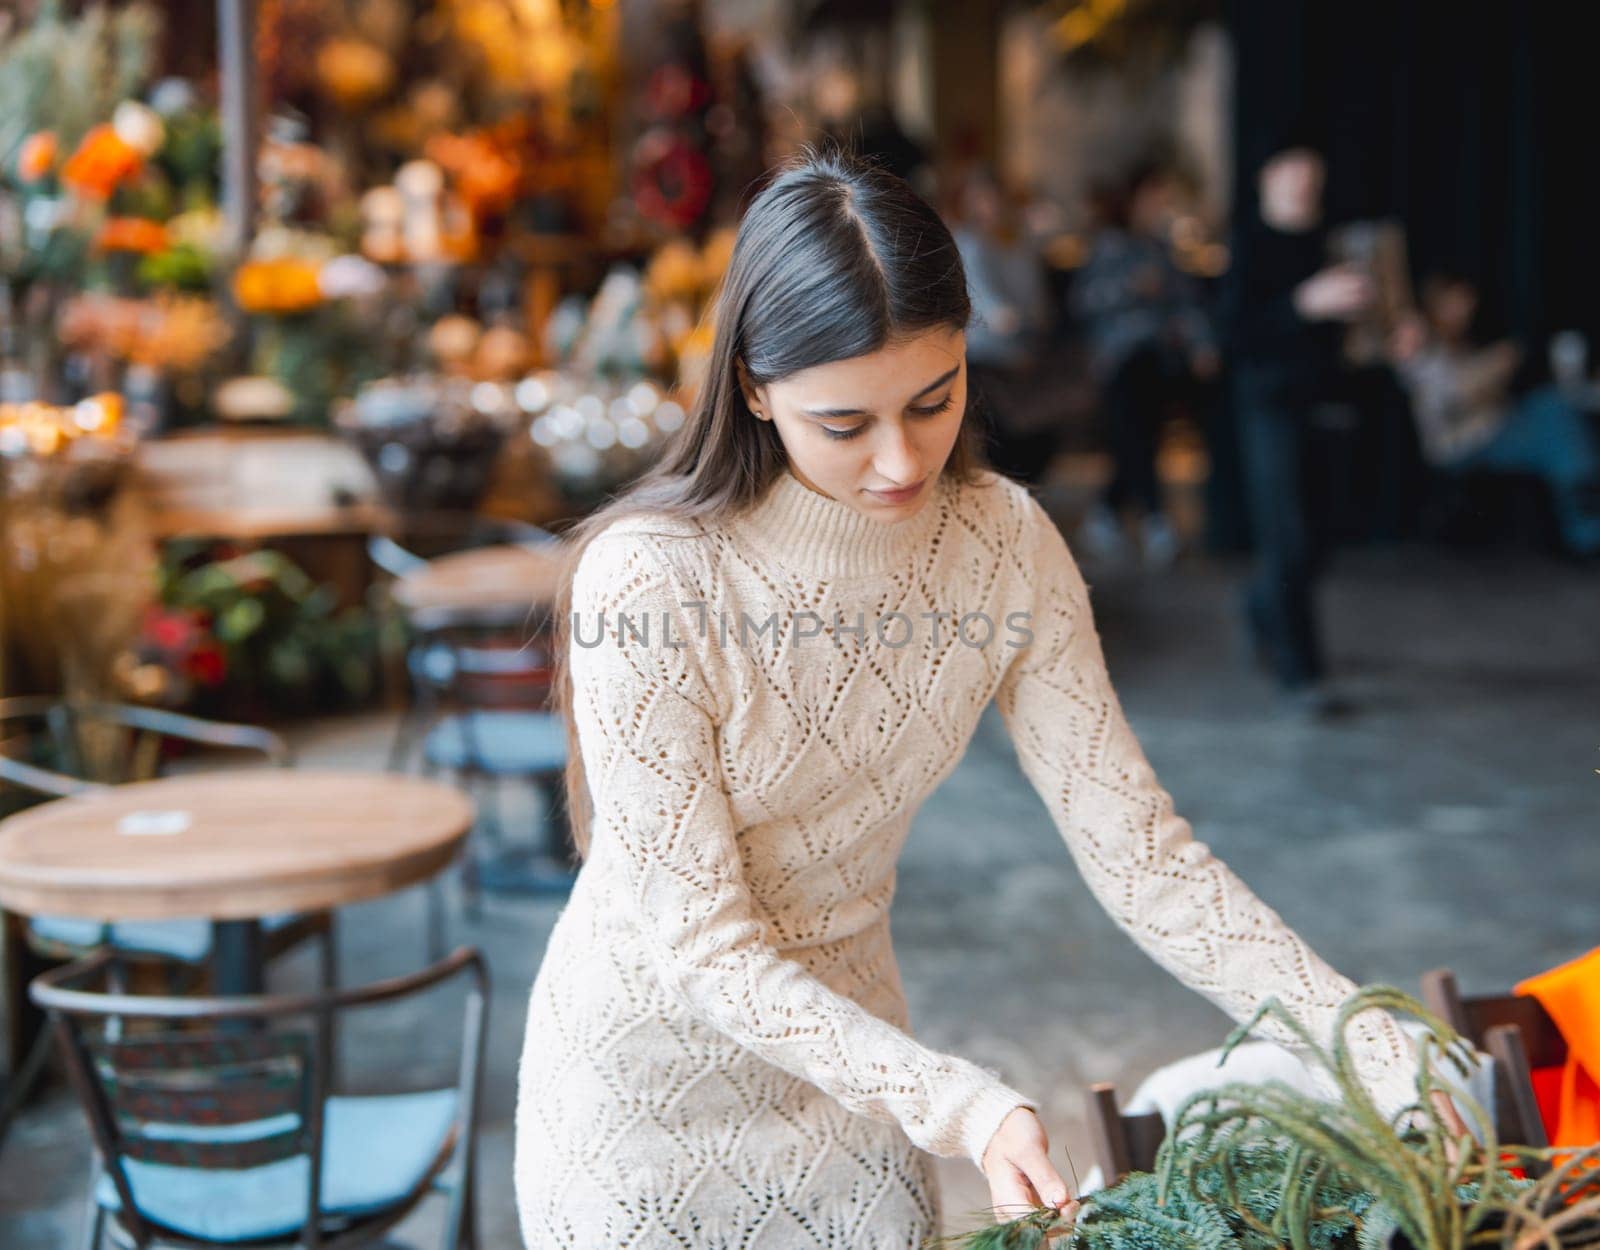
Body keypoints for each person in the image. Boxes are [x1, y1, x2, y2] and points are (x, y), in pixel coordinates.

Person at [514, 149, 1424, 1249]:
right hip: (639, 1110)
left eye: (933, 400)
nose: (900, 462)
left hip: (860, 1098)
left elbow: (1144, 855)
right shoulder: (653, 578)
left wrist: (1362, 1037)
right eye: (843, 424)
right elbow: (701, 945)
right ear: (753, 385)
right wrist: (961, 1103)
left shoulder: (1002, 544)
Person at [1223, 145, 1370, 715]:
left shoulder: (1333, 242)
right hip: (1269, 407)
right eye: (1294, 174)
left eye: (1314, 175)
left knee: (1321, 541)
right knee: (1288, 537)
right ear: (1268, 177)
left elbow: (1358, 332)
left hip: (1328, 403)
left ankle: (1261, 608)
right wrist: (1301, 304)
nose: (1304, 185)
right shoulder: (1248, 244)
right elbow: (1234, 333)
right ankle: (1301, 674)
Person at [1072, 161, 1218, 567]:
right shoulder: (1109, 245)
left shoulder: (1163, 249)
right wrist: (1130, 287)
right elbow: (1083, 301)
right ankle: (1155, 519)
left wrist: (1202, 345)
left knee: (1138, 435)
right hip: (1119, 358)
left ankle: (1107, 512)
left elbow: (1187, 306)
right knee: (1138, 420)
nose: (1161, 206)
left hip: (1160, 358)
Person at [1392, 272, 1600, 556]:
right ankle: (1586, 525)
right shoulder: (1419, 345)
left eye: (1468, 304)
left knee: (1555, 413)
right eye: (1455, 303)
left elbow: (1482, 396)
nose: (1464, 312)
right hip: (1461, 443)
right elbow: (1450, 399)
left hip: (1494, 428)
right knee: (1556, 417)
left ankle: (1585, 511)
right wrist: (1494, 366)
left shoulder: (1460, 344)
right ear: (1435, 302)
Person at [949, 165, 1057, 484]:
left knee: (1044, 426)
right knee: (1004, 431)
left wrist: (1025, 327)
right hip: (984, 355)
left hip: (1024, 351)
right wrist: (1015, 322)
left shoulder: (1020, 245)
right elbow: (992, 309)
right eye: (981, 199)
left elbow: (1037, 306)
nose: (989, 207)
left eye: (993, 198)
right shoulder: (967, 244)